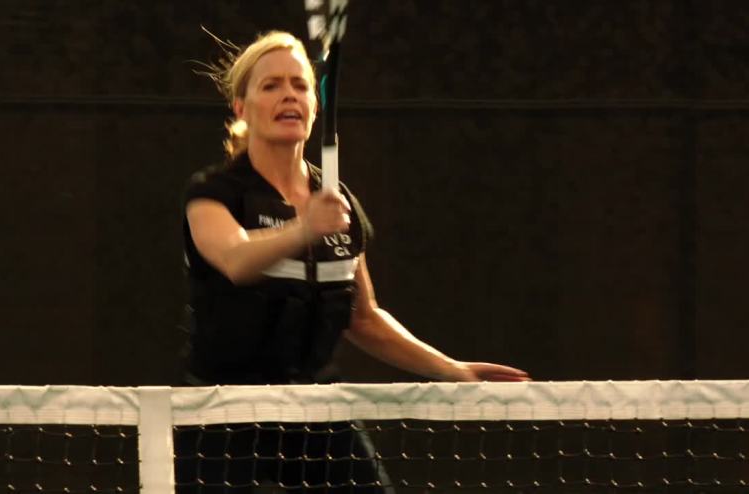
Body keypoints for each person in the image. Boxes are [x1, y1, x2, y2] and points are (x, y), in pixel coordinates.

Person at [178, 30, 529, 493]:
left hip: (316, 412)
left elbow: (363, 318)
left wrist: (451, 369)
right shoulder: (213, 193)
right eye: (271, 85)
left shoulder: (338, 202)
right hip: (222, 415)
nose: (289, 95)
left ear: (315, 106)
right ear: (241, 108)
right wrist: (304, 229)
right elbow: (236, 258)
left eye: (300, 85)